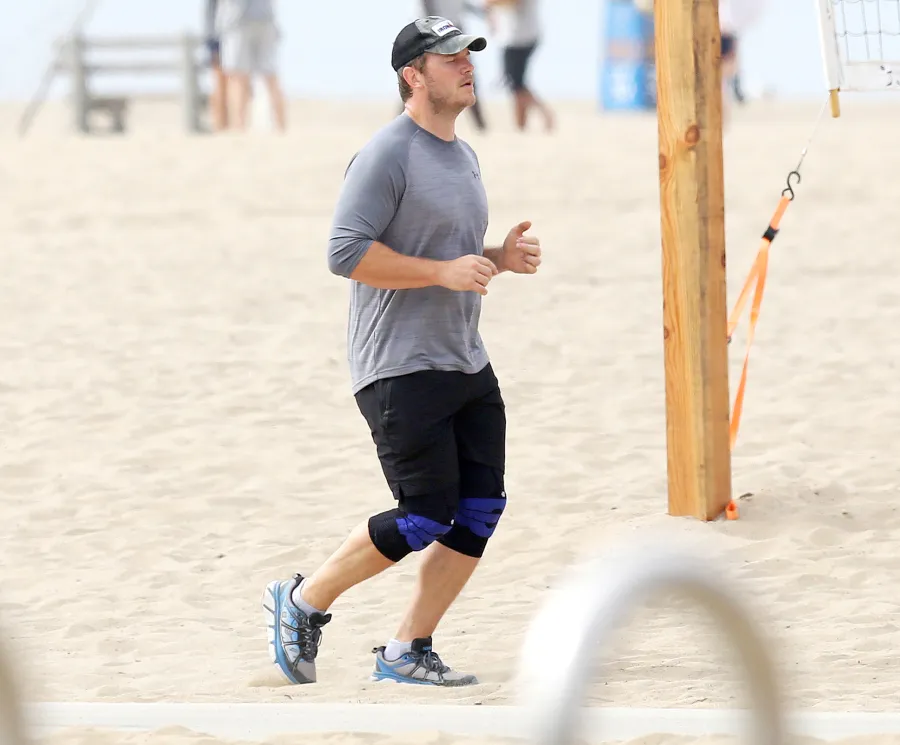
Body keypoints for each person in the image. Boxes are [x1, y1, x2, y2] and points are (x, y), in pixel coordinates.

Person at [261, 15, 543, 687]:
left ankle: (407, 648)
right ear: (413, 76)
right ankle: (303, 600)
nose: (467, 66)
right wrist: (444, 272)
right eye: (449, 59)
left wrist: (497, 258)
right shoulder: (388, 152)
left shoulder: (463, 154)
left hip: (465, 359)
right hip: (398, 366)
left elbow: (450, 257)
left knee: (478, 511)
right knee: (423, 515)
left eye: (469, 54)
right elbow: (346, 253)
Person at [214, 0, 287, 131]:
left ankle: (239, 126)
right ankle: (281, 126)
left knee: (238, 77)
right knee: (270, 76)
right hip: (265, 18)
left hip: (238, 20)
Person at [485, 0, 553, 131]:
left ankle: (544, 113)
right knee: (516, 84)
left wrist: (491, 4)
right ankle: (521, 124)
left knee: (515, 83)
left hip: (520, 37)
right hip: (516, 35)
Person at [204, 0, 229, 131]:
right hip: (219, 37)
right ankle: (219, 123)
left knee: (228, 82)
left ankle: (223, 123)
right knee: (219, 81)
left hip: (228, 35)